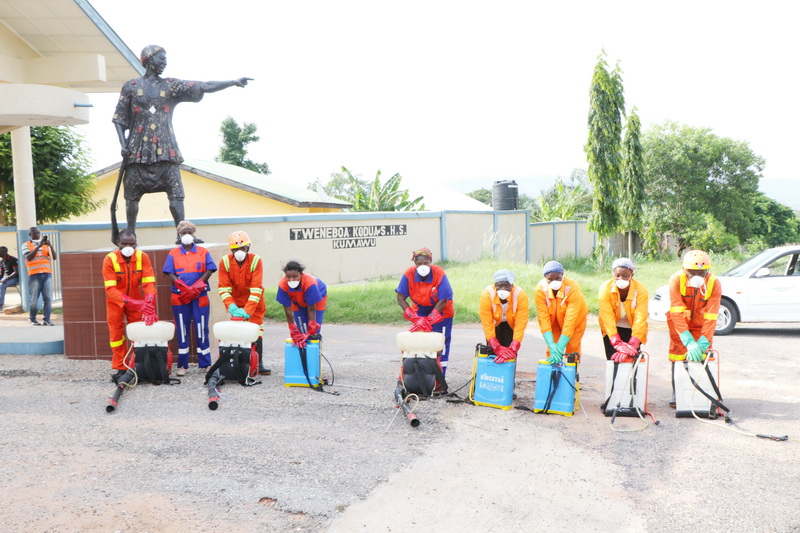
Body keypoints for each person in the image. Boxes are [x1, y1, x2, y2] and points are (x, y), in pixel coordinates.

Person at [113, 45, 251, 233]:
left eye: (165, 59)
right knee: (131, 197)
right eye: (161, 58)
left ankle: (184, 234)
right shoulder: (131, 87)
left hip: (166, 150)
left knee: (176, 193)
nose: (164, 63)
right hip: (137, 152)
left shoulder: (170, 86)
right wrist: (123, 144)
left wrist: (232, 82)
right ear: (149, 60)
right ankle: (129, 235)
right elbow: (120, 119)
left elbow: (203, 86)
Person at [666, 249, 722, 407]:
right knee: (678, 355)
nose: (697, 276)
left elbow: (712, 315)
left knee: (703, 356)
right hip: (680, 325)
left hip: (701, 325)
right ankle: (677, 392)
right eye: (692, 272)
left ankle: (702, 392)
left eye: (702, 272)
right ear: (685, 270)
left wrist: (704, 340)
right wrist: (688, 340)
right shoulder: (676, 280)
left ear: (707, 271)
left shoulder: (714, 283)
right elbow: (676, 311)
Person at [103, 229, 158, 383]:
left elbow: (148, 282)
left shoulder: (142, 257)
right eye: (124, 243)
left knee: (138, 335)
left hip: (137, 300)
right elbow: (110, 289)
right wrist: (133, 302)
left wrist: (149, 301)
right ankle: (120, 367)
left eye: (131, 243)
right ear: (118, 243)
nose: (128, 246)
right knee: (116, 335)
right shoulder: (110, 259)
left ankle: (137, 365)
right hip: (116, 302)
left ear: (136, 243)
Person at [163, 221, 217, 375]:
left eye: (189, 232)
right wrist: (184, 288)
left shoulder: (203, 251)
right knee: (182, 329)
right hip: (180, 296)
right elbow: (169, 273)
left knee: (201, 328)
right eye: (183, 232)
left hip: (200, 295)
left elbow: (210, 269)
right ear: (179, 235)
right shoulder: (173, 253)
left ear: (194, 234)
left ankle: (205, 363)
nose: (186, 235)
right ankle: (182, 365)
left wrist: (196, 287)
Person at [396, 247, 455, 376]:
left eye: (426, 263)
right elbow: (400, 298)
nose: (423, 266)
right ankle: (421, 374)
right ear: (414, 264)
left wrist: (430, 319)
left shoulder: (439, 272)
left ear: (430, 262)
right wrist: (416, 319)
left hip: (441, 310)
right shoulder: (409, 274)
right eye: (419, 264)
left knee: (441, 343)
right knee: (419, 341)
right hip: (420, 310)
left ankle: (440, 377)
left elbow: (444, 299)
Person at [218, 230, 270, 375]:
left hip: (255, 304)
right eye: (236, 249)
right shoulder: (225, 262)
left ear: (248, 247)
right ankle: (241, 363)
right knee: (237, 333)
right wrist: (232, 307)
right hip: (235, 303)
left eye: (242, 248)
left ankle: (258, 363)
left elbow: (256, 289)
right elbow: (223, 289)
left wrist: (247, 311)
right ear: (231, 250)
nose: (239, 252)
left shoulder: (255, 260)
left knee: (256, 332)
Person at [534, 260, 588, 364]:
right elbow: (543, 318)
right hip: (553, 321)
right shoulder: (540, 290)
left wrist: (561, 345)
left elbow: (570, 320)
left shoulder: (572, 287)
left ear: (562, 275)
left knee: (573, 348)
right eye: (550, 279)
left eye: (558, 278)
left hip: (576, 321)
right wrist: (551, 344)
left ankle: (572, 374)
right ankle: (552, 374)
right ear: (545, 278)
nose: (554, 281)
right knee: (552, 349)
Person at [598, 258, 649, 362]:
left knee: (631, 360)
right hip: (612, 329)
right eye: (617, 275)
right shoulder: (605, 289)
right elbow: (607, 318)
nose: (621, 278)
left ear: (632, 275)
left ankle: (633, 379)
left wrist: (634, 342)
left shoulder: (640, 290)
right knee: (613, 360)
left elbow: (640, 317)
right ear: (613, 274)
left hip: (633, 329)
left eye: (625, 275)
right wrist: (616, 342)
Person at [479, 269, 529, 364]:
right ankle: (493, 374)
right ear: (495, 285)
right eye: (499, 285)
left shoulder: (520, 295)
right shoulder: (487, 295)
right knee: (492, 350)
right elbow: (487, 323)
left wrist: (515, 345)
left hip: (511, 325)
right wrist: (495, 346)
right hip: (495, 325)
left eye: (506, 285)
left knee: (509, 353)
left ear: (512, 285)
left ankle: (507, 375)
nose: (503, 288)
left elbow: (521, 323)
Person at [276, 260, 327, 349]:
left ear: (301, 274)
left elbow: (312, 309)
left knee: (313, 334)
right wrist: (292, 328)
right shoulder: (283, 285)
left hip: (317, 300)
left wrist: (312, 326)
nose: (291, 280)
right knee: (301, 331)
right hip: (297, 300)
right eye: (288, 277)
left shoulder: (309, 282)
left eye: (295, 277)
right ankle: (302, 357)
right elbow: (288, 311)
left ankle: (315, 357)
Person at [23, 226, 57, 325]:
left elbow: (54, 257)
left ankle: (47, 319)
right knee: (34, 298)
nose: (37, 235)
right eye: (34, 233)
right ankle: (32, 318)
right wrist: (38, 246)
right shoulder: (25, 245)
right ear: (30, 234)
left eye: (38, 233)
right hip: (34, 275)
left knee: (47, 297)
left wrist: (50, 246)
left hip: (46, 274)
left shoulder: (45, 246)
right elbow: (29, 257)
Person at [0, 246, 20, 313]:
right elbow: (1, 274)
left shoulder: (13, 259)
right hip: (7, 277)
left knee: (2, 285)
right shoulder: (1, 261)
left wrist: (6, 279)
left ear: (3, 252)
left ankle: (0, 305)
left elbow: (16, 272)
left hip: (15, 278)